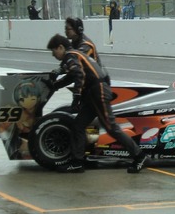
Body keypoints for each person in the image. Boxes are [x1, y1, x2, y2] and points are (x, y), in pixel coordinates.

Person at [45, 34, 148, 173]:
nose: (53, 55)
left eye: (53, 51)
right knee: (78, 125)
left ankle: (139, 155)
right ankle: (78, 162)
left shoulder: (70, 56)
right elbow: (72, 76)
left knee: (111, 128)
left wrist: (76, 97)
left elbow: (78, 75)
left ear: (61, 47)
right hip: (93, 93)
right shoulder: (76, 54)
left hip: (98, 92)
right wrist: (55, 85)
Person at [64, 17, 110, 83]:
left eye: (68, 29)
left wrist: (63, 69)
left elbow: (75, 61)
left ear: (78, 29)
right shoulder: (73, 43)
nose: (65, 31)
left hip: (98, 81)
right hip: (88, 80)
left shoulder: (86, 45)